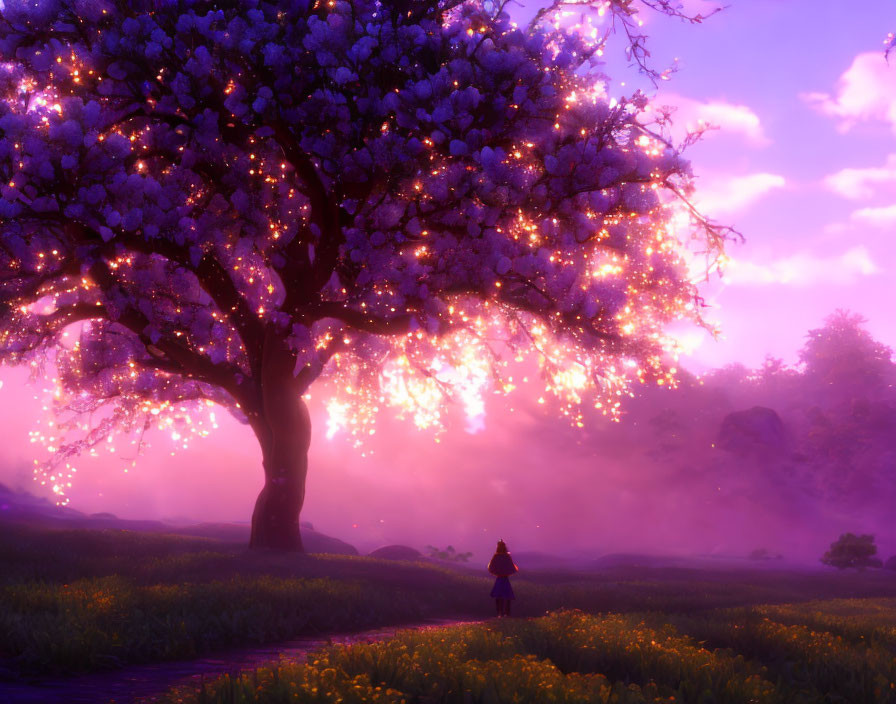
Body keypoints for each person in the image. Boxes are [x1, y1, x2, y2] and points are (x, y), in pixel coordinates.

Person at [487, 539, 518, 617]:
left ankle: (499, 613)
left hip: (499, 579)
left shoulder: (496, 556)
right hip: (505, 579)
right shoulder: (507, 557)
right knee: (507, 596)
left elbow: (491, 568)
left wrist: (498, 573)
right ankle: (506, 613)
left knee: (499, 596)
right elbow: (512, 569)